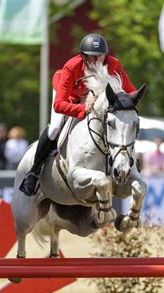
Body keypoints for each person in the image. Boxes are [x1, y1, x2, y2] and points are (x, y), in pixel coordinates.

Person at [19, 33, 136, 195]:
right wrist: (83, 109)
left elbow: (131, 92)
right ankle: (33, 172)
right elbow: (59, 104)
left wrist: (126, 106)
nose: (96, 62)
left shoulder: (113, 64)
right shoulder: (72, 66)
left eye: (100, 57)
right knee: (54, 128)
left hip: (94, 100)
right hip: (69, 97)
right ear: (83, 57)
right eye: (92, 57)